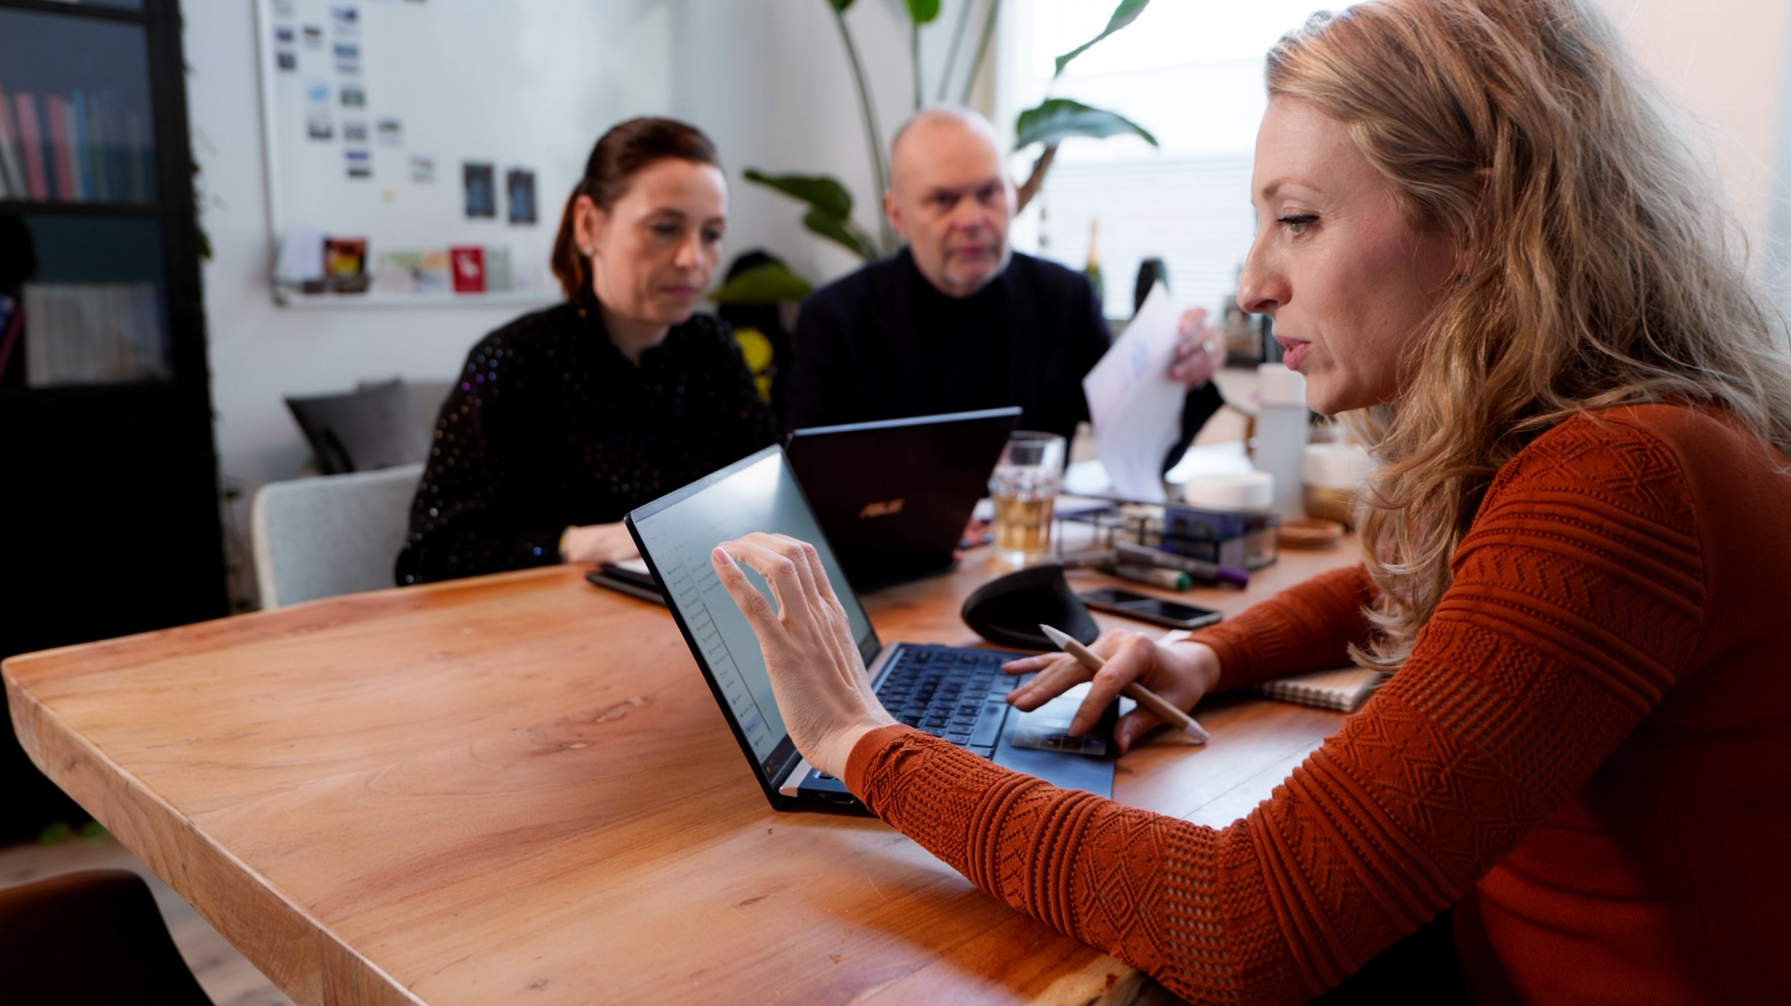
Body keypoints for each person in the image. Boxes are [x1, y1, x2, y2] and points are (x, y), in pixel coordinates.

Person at [704, 0, 1791, 1002]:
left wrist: (859, 735)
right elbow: (1438, 584)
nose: (1253, 282)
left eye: (1300, 219)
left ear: (1476, 216)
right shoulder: (1614, 441)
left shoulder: (1622, 482)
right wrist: (1210, 655)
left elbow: (1242, 916)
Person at [396, 118, 776, 585]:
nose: (692, 258)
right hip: (551, 634)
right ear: (589, 224)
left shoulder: (711, 347)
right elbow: (432, 556)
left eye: (712, 234)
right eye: (664, 228)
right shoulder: (513, 361)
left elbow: (770, 493)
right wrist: (580, 542)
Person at [785, 106, 1225, 467]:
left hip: (1030, 555)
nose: (973, 219)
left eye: (988, 193)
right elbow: (816, 485)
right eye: (944, 200)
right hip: (894, 568)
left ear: (1013, 195)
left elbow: (1140, 453)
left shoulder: (1063, 298)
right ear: (896, 214)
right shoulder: (836, 319)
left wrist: (1184, 371)